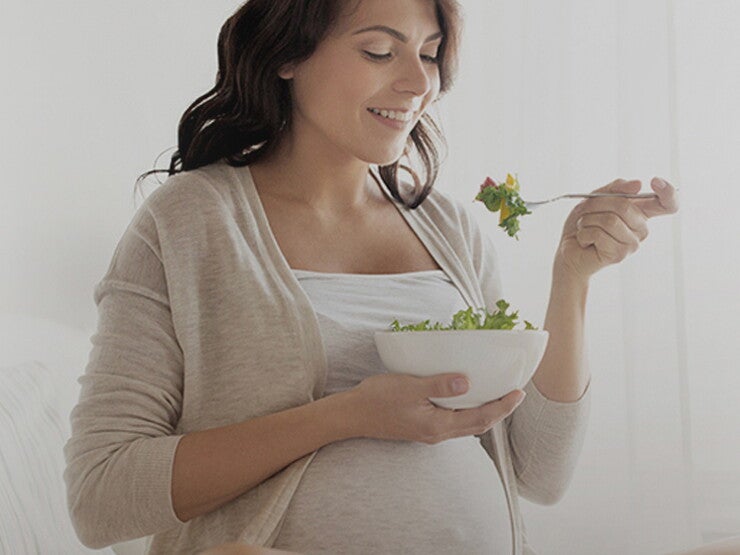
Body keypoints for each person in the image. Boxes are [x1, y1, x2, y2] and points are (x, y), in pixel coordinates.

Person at [63, 0, 679, 554]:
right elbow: (101, 495)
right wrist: (347, 415)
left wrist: (572, 277)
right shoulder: (189, 223)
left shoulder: (448, 228)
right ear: (288, 55)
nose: (418, 83)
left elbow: (538, 472)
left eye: (430, 55)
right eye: (379, 51)